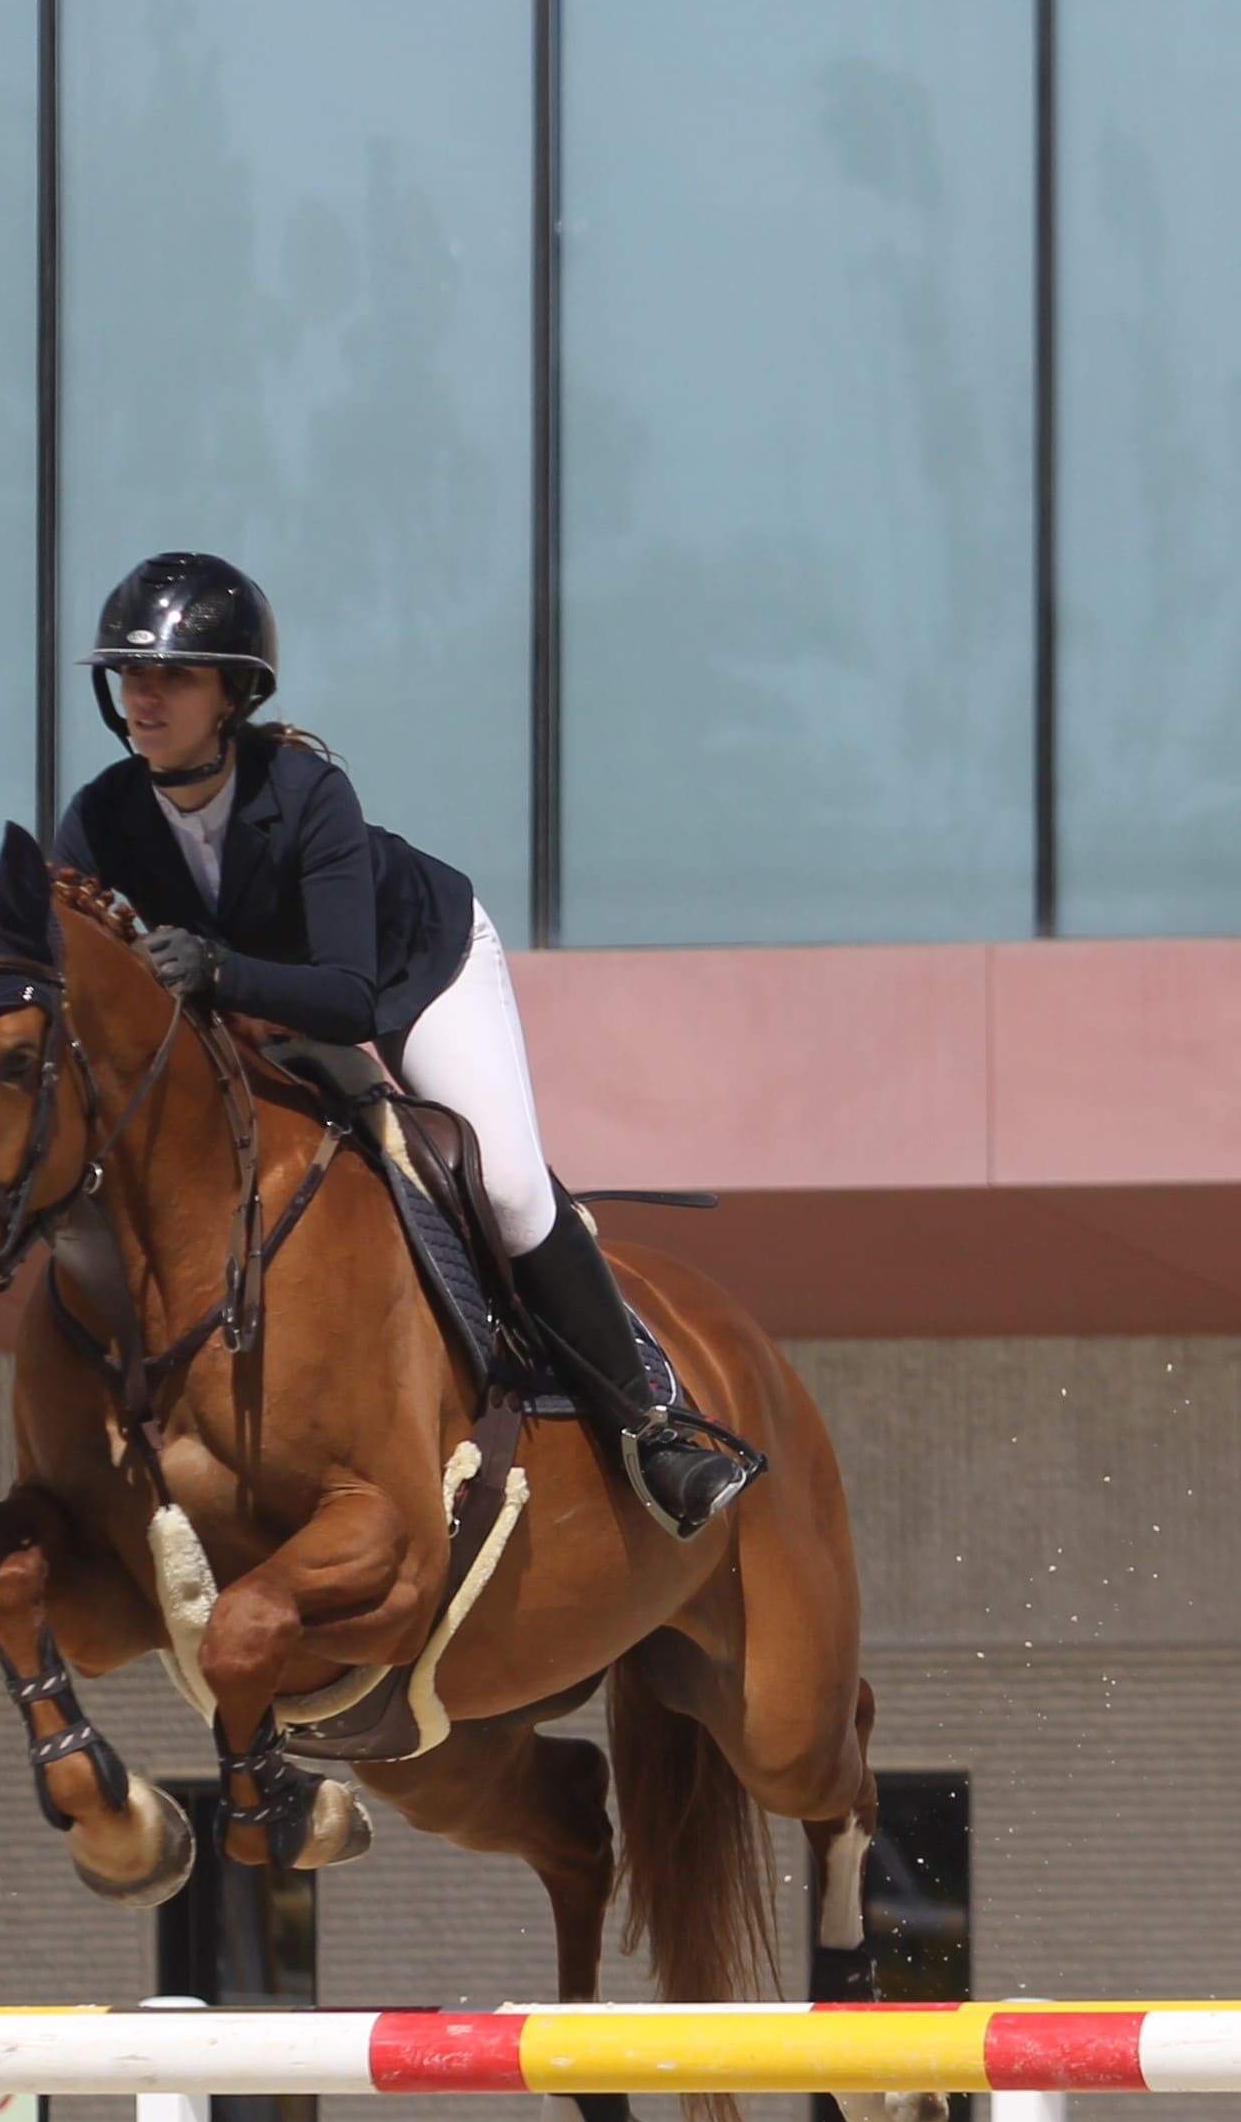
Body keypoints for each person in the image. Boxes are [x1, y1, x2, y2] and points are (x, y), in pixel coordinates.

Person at [52, 549, 759, 1538]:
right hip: (250, 1017)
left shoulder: (306, 793)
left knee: (505, 1187)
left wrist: (215, 969)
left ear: (232, 694)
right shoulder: (99, 819)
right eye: (130, 674)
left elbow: (347, 996)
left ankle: (652, 1428)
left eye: (174, 674)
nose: (144, 695)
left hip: (412, 973)